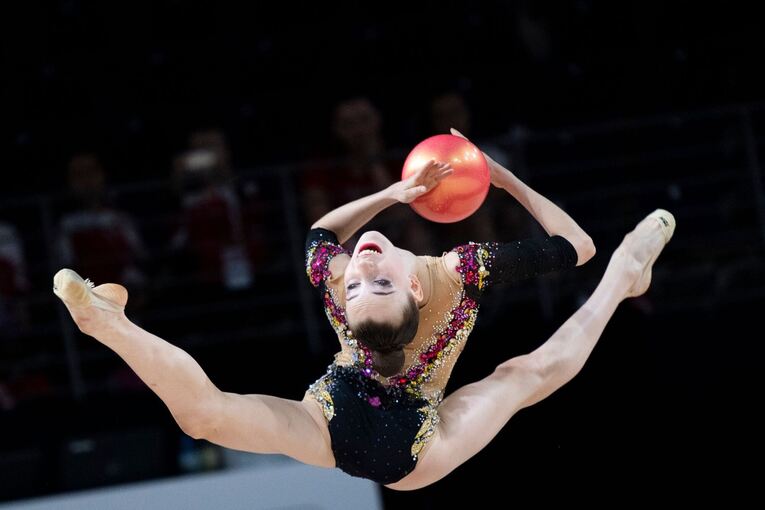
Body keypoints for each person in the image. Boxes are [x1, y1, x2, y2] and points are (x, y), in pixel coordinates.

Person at [51, 136, 674, 490]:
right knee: (523, 377)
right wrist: (461, 183)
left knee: (204, 417)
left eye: (361, 287)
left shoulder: (351, 276)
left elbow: (319, 233)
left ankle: (114, 327)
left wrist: (453, 184)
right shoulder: (456, 273)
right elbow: (576, 246)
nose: (363, 269)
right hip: (412, 447)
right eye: (374, 283)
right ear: (412, 290)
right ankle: (623, 279)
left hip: (349, 428)